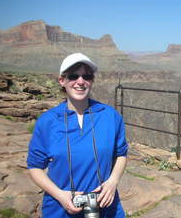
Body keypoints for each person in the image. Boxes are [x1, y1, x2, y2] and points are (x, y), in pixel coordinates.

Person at [27, 53, 128, 217]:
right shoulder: (48, 121)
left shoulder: (110, 116)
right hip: (60, 209)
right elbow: (35, 167)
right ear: (62, 81)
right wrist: (60, 195)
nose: (80, 81)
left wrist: (113, 182)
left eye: (86, 76)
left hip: (106, 208)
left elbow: (121, 154)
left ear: (92, 80)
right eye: (73, 76)